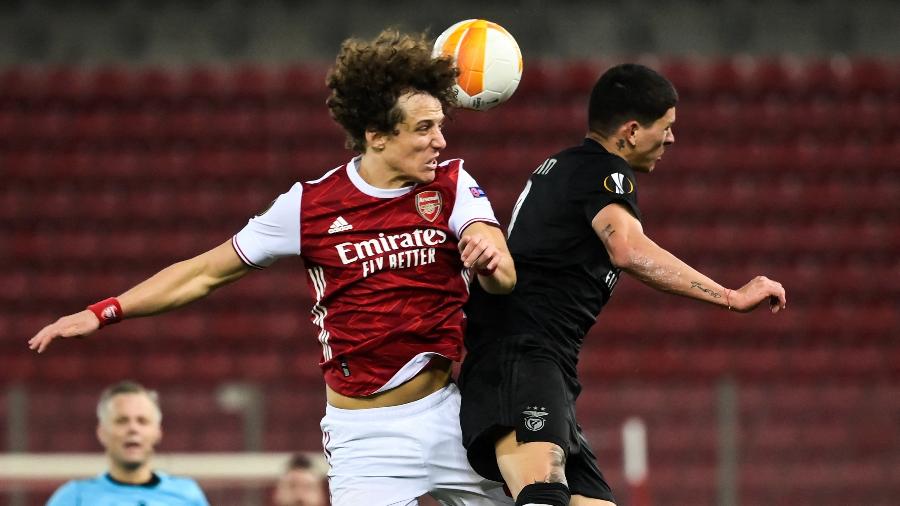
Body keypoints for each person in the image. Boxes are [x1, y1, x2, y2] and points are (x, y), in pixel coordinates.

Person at [29, 28, 515, 506]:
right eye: (424, 128)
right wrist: (105, 310)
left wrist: (488, 254)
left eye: (440, 125)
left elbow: (503, 267)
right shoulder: (309, 205)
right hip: (367, 440)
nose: (440, 141)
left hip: (446, 412)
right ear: (378, 136)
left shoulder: (451, 184)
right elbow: (205, 272)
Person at [458, 63, 788, 506]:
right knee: (543, 497)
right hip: (521, 358)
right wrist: (729, 296)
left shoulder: (568, 167)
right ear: (631, 131)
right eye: (666, 127)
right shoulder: (605, 172)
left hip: (542, 363)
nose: (671, 139)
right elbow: (628, 250)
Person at [46, 381, 209, 505]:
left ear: (157, 432)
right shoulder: (74, 497)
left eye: (142, 421)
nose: (133, 428)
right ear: (102, 432)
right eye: (122, 421)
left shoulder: (187, 494)